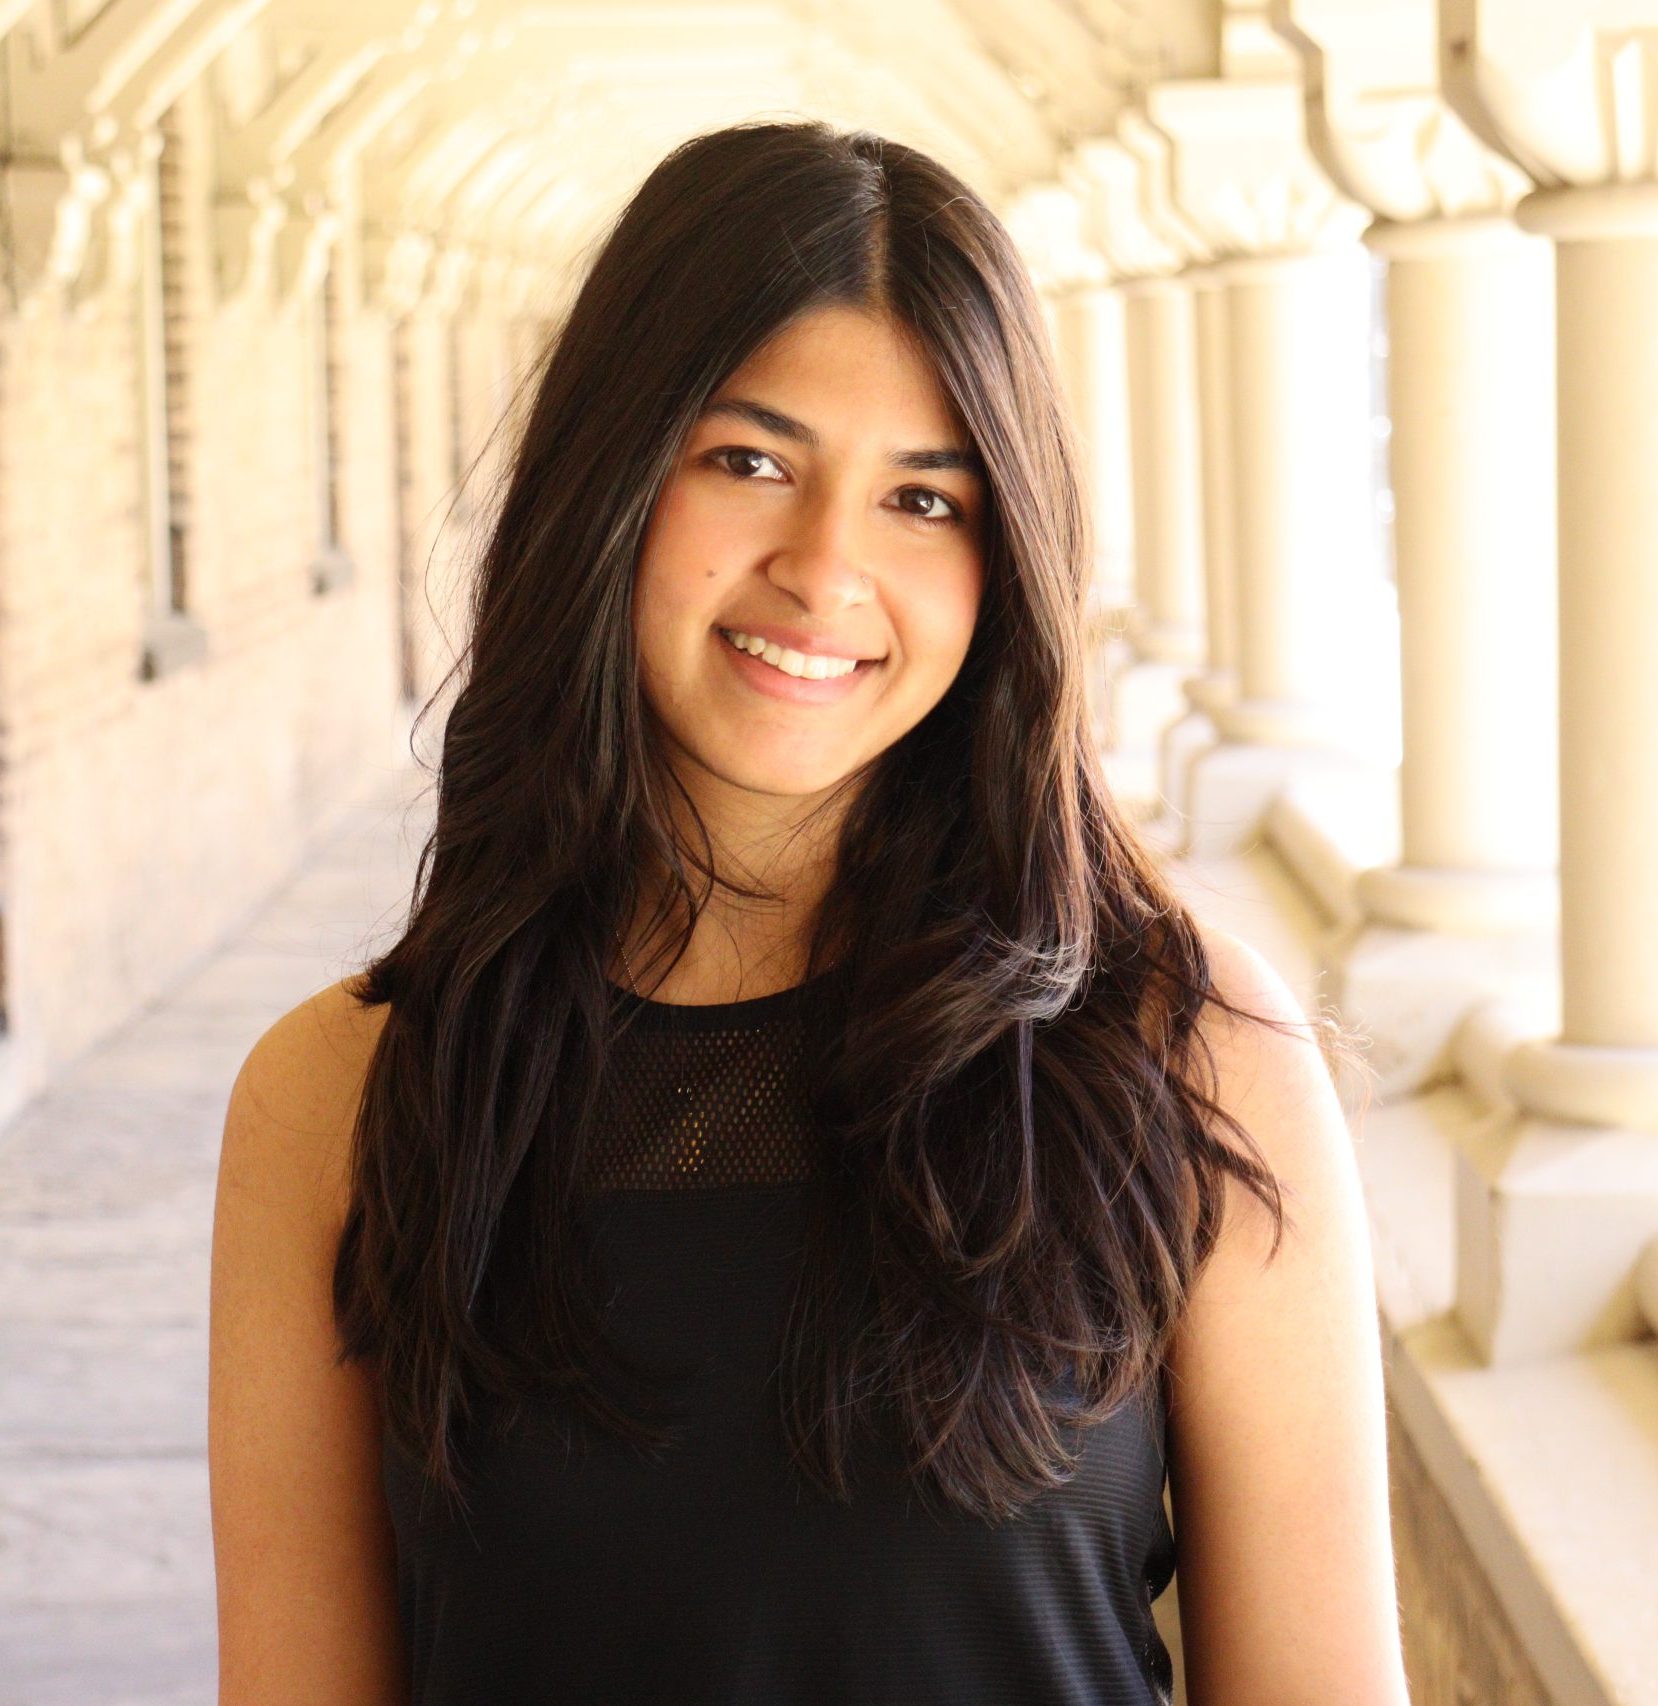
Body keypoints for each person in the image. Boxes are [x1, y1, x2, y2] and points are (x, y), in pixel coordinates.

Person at [208, 118, 1411, 1705]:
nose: (824, 568)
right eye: (751, 462)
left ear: (1003, 564)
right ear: (610, 480)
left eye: (925, 500)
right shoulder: (345, 1098)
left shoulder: (1180, 1051)